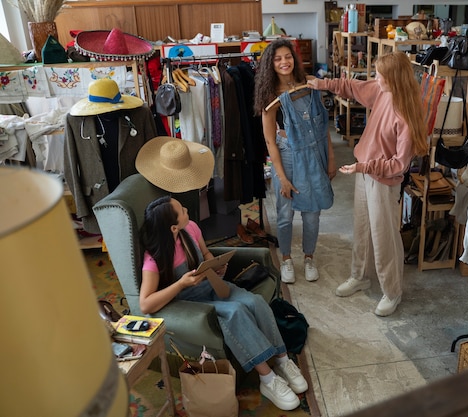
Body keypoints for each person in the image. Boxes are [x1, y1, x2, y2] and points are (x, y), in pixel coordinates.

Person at [139, 195, 308, 411]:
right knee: (235, 312)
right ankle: (267, 379)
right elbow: (145, 304)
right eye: (181, 210)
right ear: (173, 228)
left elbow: (206, 253)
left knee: (254, 302)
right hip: (191, 301)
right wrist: (181, 284)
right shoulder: (153, 258)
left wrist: (216, 266)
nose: (186, 210)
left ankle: (283, 360)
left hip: (212, 286)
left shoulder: (190, 228)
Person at [307, 52, 429, 316]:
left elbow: (399, 165)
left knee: (384, 237)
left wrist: (365, 167)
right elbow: (353, 86)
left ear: (393, 79)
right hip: (364, 172)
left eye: (379, 74)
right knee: (362, 228)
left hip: (383, 181)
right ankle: (359, 276)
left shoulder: (405, 115)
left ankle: (392, 291)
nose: (375, 78)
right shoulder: (382, 91)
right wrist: (323, 83)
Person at [253, 39, 336, 284]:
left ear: (294, 58)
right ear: (271, 64)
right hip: (287, 155)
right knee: (285, 213)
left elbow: (323, 126)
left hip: (314, 152)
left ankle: (309, 257)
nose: (284, 62)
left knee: (313, 212)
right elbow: (270, 141)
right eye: (277, 59)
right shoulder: (270, 96)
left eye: (287, 56)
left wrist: (330, 158)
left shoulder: (309, 84)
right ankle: (287, 258)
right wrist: (282, 178)